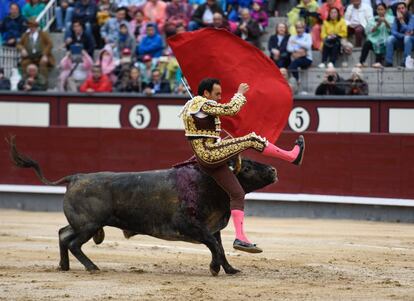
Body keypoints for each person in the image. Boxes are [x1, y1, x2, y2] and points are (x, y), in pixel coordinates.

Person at [180, 78, 305, 253]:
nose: (218, 98)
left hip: (207, 157)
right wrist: (239, 94)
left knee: (237, 193)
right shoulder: (201, 103)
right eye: (216, 94)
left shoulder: (196, 106)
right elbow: (230, 109)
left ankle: (240, 238)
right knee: (251, 139)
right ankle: (292, 156)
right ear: (206, 93)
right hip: (209, 154)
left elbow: (200, 135)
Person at [358, 3, 394, 68]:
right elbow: (368, 31)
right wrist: (377, 25)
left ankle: (378, 62)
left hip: (386, 41)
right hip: (375, 40)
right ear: (376, 11)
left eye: (382, 9)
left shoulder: (391, 18)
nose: (380, 11)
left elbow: (392, 29)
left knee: (380, 42)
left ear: (385, 10)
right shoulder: (373, 19)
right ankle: (361, 62)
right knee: (367, 43)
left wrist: (385, 21)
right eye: (378, 9)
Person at [385, 2, 414, 67]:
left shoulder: (412, 17)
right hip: (402, 40)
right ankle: (389, 62)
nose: (401, 10)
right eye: (399, 9)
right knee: (390, 38)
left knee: (407, 38)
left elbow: (409, 30)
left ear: (406, 9)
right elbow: (393, 32)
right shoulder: (396, 19)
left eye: (402, 8)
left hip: (411, 41)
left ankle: (405, 61)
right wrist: (403, 35)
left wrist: (402, 21)